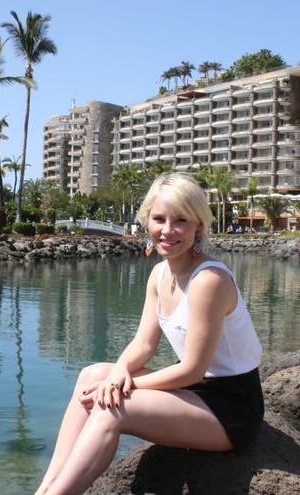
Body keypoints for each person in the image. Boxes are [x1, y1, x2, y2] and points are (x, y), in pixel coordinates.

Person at [36, 173, 264, 495]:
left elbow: (191, 370)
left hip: (231, 409)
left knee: (112, 407)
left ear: (198, 225)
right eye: (159, 219)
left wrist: (119, 388)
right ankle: (46, 488)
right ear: (147, 222)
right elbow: (143, 343)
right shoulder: (159, 274)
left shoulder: (208, 281)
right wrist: (116, 374)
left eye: (181, 221)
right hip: (199, 392)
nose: (167, 231)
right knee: (91, 375)